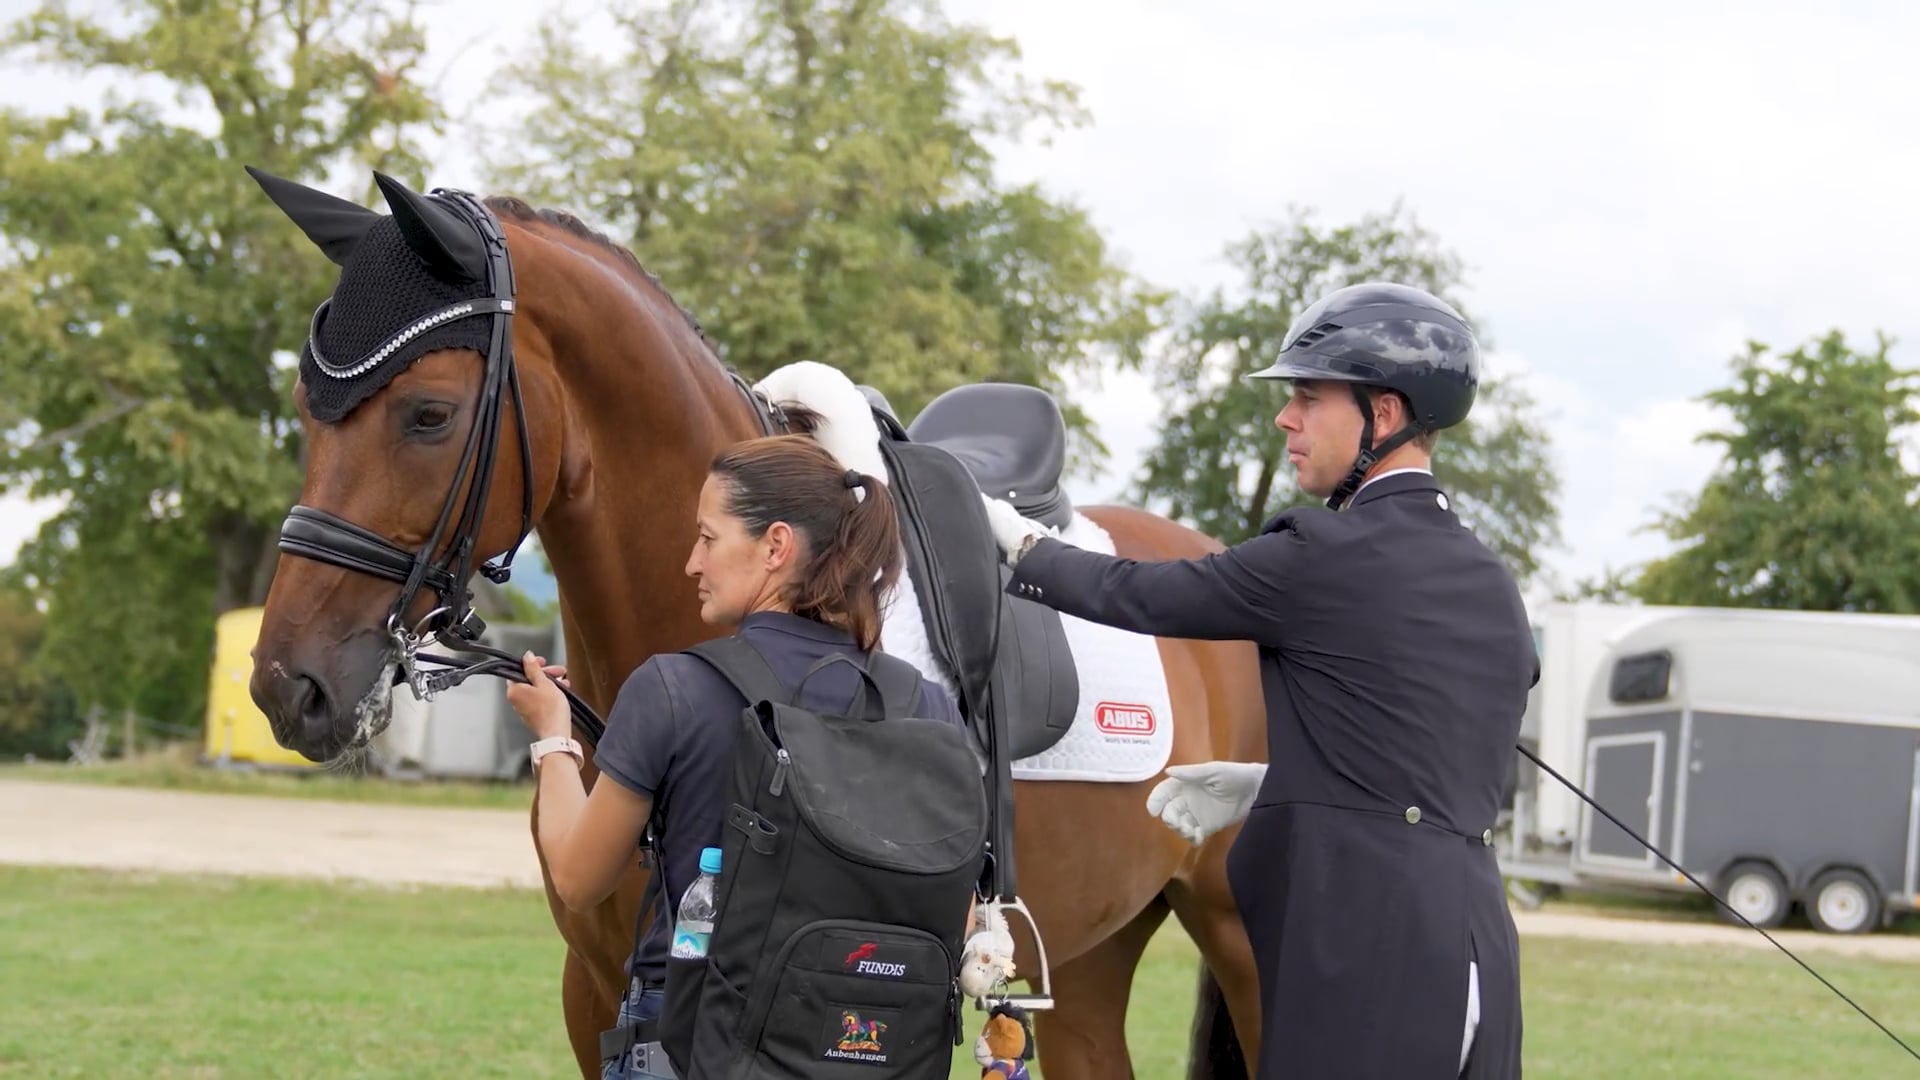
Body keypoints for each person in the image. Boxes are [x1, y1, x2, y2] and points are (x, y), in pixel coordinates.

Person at [979, 282, 1536, 1079]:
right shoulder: (1491, 581)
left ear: (1383, 413)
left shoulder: (1321, 555)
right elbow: (1434, 754)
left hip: (1359, 956)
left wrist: (1019, 547)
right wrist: (1277, 783)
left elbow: (1134, 593)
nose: (1287, 419)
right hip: (1479, 952)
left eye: (1309, 398)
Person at [506, 433, 969, 1079]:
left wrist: (555, 739)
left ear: (775, 545)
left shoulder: (673, 688)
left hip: (694, 1040)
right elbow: (959, 909)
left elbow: (581, 882)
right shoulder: (927, 706)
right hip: (875, 1048)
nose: (692, 564)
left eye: (708, 538)